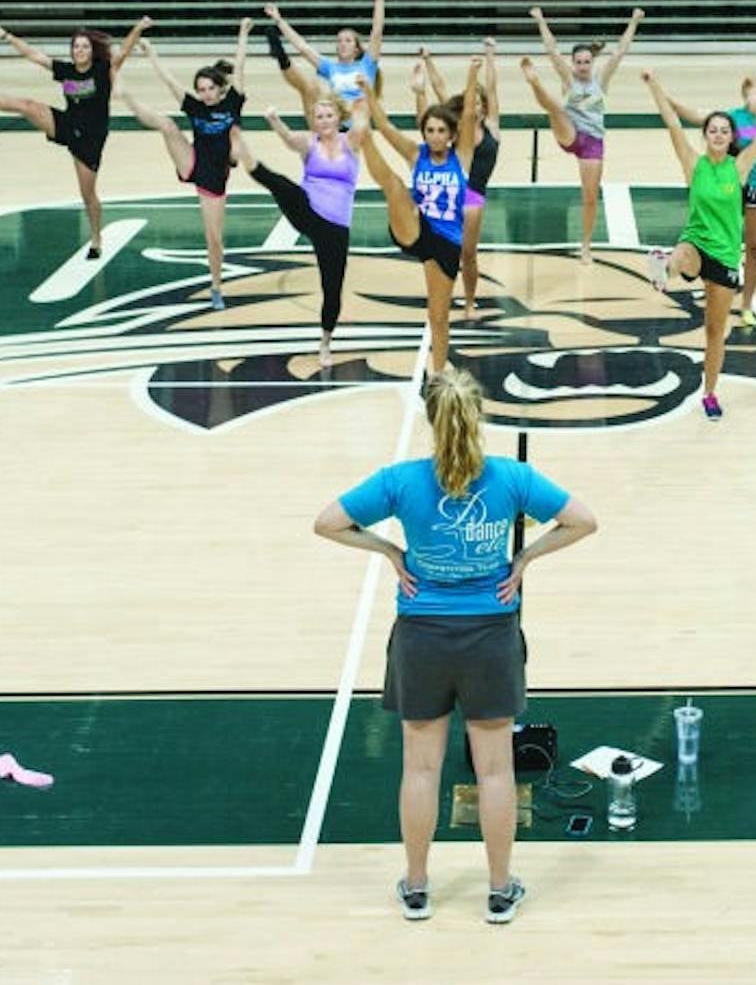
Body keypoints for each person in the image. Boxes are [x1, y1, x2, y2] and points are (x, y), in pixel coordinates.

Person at [313, 366, 597, 924]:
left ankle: (417, 889)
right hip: (490, 636)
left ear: (432, 421)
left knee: (420, 768)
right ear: (478, 418)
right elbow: (583, 521)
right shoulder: (512, 478)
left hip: (421, 636)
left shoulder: (400, 480)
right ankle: (498, 892)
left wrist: (390, 552)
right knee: (495, 771)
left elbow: (327, 523)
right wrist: (524, 559)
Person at [642, 69, 756, 420]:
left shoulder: (739, 167)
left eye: (724, 130)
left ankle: (710, 393)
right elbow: (672, 122)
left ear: (730, 136)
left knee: (714, 333)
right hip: (697, 244)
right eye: (712, 130)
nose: (718, 134)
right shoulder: (694, 164)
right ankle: (664, 269)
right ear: (705, 136)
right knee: (683, 252)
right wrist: (655, 85)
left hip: (723, 257)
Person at [0, 16, 152, 258]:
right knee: (28, 105)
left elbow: (123, 51)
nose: (79, 50)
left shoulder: (102, 70)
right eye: (76, 46)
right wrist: (7, 37)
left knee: (88, 195)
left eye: (84, 46)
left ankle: (96, 238)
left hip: (90, 138)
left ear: (92, 51)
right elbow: (34, 56)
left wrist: (138, 28)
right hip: (66, 124)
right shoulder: (65, 70)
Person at [355, 63, 481, 374]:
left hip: (447, 243)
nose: (435, 136)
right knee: (395, 185)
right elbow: (385, 125)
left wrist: (472, 75)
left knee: (438, 316)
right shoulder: (416, 154)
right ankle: (362, 137)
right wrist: (368, 93)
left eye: (441, 131)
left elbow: (466, 115)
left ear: (451, 135)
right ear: (423, 132)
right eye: (430, 130)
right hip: (416, 229)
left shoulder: (461, 156)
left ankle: (438, 372)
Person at [117, 18, 252, 309]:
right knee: (166, 124)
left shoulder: (233, 102)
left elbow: (239, 66)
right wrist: (150, 51)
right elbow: (168, 79)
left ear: (219, 88)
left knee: (214, 239)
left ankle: (216, 286)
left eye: (209, 89)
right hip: (191, 161)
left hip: (213, 178)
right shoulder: (194, 106)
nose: (205, 94)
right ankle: (125, 96)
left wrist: (242, 32)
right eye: (200, 89)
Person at [227, 96, 362, 368]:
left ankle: (325, 342)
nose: (323, 121)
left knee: (332, 287)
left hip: (335, 226)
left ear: (338, 118)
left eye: (328, 116)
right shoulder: (308, 142)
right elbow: (289, 139)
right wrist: (274, 120)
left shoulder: (351, 144)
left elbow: (363, 126)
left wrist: (363, 99)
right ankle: (244, 151)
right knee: (283, 186)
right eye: (319, 117)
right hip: (308, 210)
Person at [664, 74, 756, 329]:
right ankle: (703, 273)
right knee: (720, 235)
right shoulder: (732, 118)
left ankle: (746, 304)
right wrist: (666, 100)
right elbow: (698, 117)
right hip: (730, 184)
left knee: (754, 248)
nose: (752, 92)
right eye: (749, 88)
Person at [520, 6, 645, 263]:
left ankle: (585, 245)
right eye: (578, 62)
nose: (582, 66)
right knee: (555, 107)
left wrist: (634, 20)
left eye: (587, 62)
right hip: (570, 134)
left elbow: (620, 51)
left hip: (593, 144)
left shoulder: (601, 80)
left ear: (592, 62)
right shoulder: (569, 79)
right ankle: (534, 83)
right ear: (573, 63)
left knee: (589, 198)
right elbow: (552, 50)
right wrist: (541, 20)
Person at [411, 39, 501, 319]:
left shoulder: (493, 127)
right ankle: (440, 295)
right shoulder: (458, 132)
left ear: (484, 107)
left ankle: (470, 301)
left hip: (473, 196)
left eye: (478, 102)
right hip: (450, 192)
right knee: (442, 251)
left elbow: (493, 87)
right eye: (469, 102)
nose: (473, 106)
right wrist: (428, 60)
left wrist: (489, 55)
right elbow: (440, 90)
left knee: (469, 255)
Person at [261, 0, 387, 119]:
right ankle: (282, 58)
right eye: (339, 41)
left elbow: (377, 32)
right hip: (333, 123)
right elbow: (303, 48)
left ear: (356, 49)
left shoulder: (366, 65)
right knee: (310, 88)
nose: (342, 44)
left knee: (318, 91)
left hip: (358, 124)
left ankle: (283, 60)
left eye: (348, 41)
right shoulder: (330, 67)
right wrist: (279, 20)